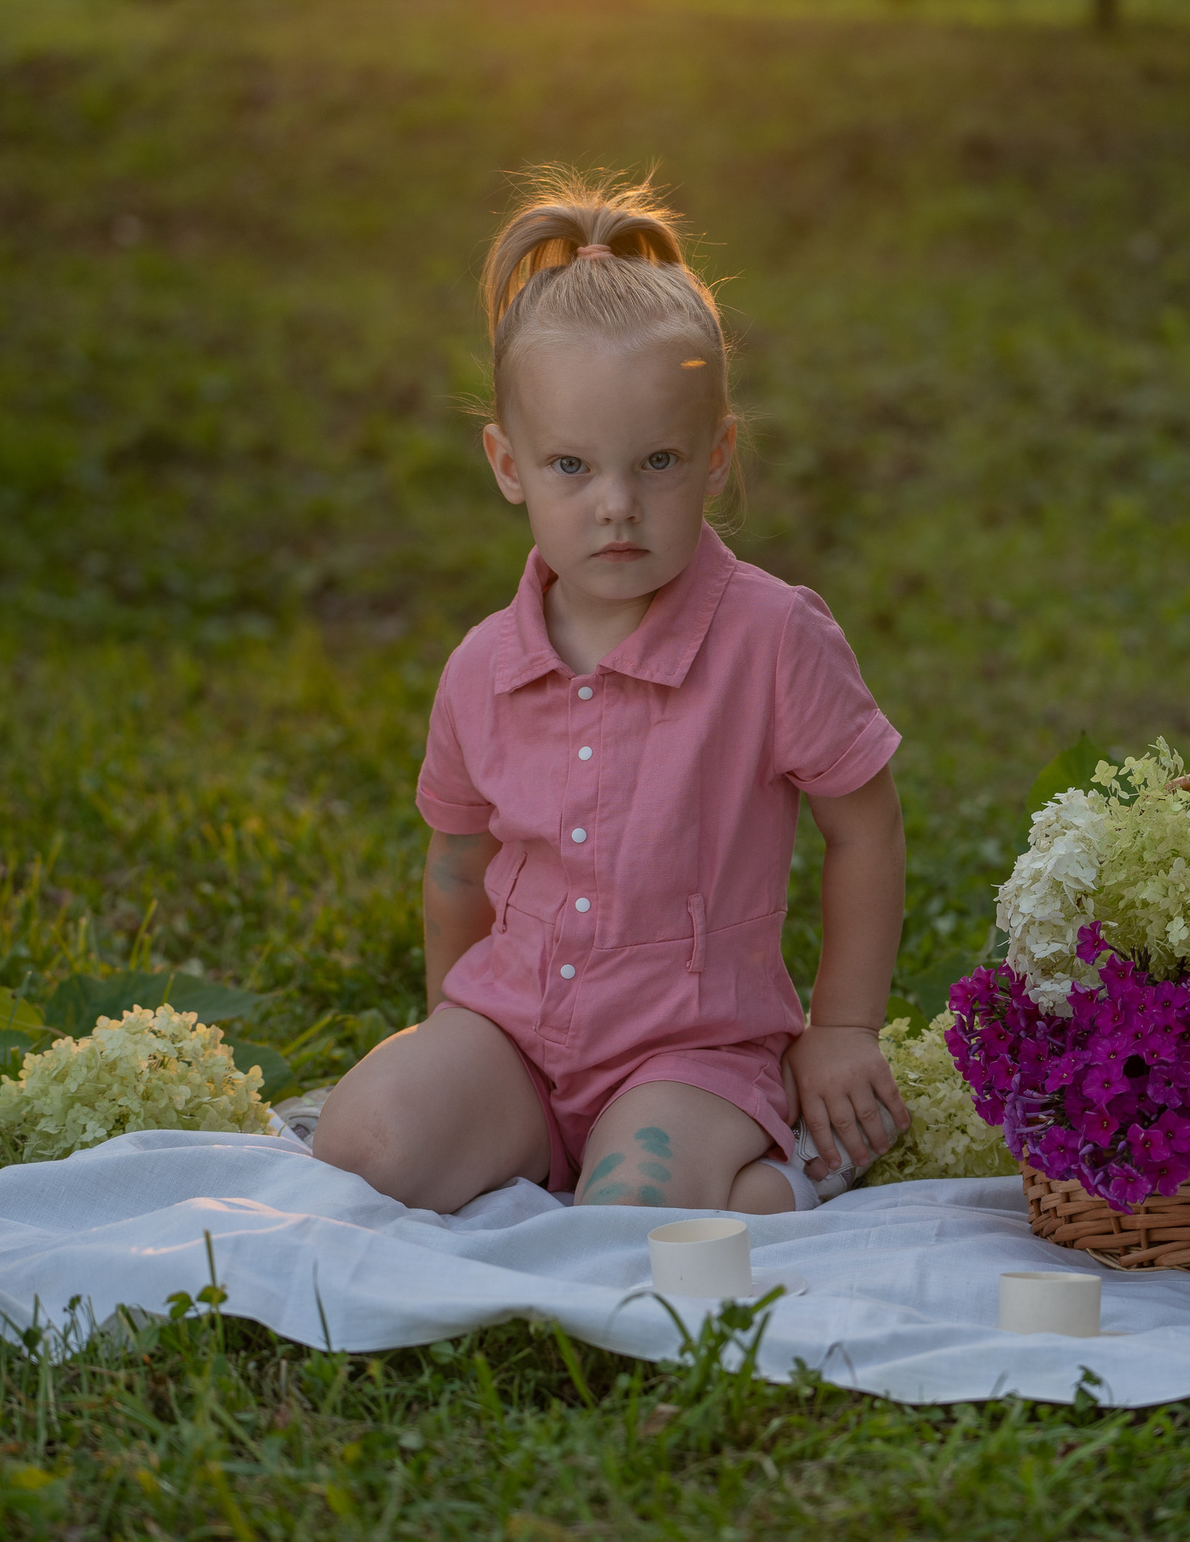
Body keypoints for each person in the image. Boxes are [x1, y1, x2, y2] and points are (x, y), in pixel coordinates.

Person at [310, 171, 910, 1215]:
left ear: (717, 455)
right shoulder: (483, 667)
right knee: (362, 1149)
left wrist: (842, 1026)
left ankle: (774, 1176)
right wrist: (457, 1042)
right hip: (519, 1031)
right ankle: (535, 1142)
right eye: (572, 466)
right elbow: (457, 867)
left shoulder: (771, 637)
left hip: (692, 1049)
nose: (617, 506)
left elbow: (863, 829)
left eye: (659, 461)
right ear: (508, 465)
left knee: (628, 1221)